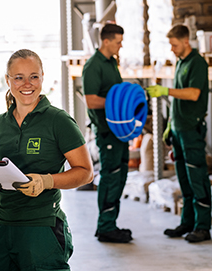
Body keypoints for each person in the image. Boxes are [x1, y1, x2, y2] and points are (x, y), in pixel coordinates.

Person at [0, 49, 93, 271]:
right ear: (8, 80)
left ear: (42, 77)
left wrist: (47, 181)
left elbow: (86, 172)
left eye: (34, 76)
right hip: (1, 223)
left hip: (41, 225)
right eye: (18, 77)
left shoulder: (58, 121)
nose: (27, 84)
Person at [147, 24, 212, 243]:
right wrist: (169, 126)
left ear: (186, 41)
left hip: (192, 130)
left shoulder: (197, 63)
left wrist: (165, 90)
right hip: (179, 129)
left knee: (197, 177)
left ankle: (203, 227)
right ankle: (188, 222)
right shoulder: (181, 63)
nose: (172, 50)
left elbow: (193, 94)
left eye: (174, 45)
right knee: (183, 178)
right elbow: (178, 100)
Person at [81, 23, 133, 243]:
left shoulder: (112, 63)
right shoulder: (94, 66)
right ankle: (105, 227)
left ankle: (110, 223)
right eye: (118, 42)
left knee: (119, 175)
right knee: (111, 176)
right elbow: (91, 100)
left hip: (119, 130)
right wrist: (119, 102)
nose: (120, 46)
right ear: (106, 41)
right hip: (106, 131)